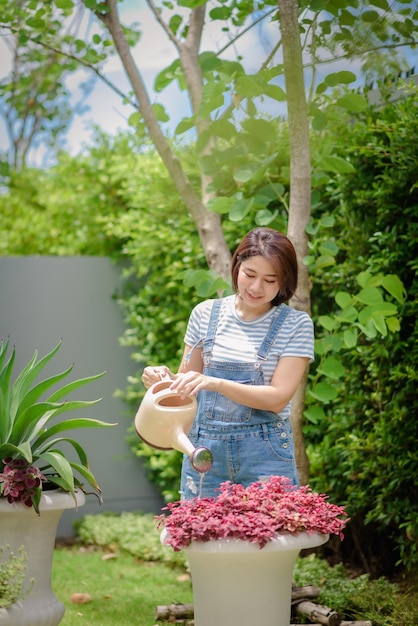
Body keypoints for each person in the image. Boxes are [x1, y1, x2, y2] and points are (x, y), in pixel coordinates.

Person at [142, 227, 314, 499]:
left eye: (270, 280)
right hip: (204, 454)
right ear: (237, 267)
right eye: (250, 274)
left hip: (265, 457)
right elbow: (187, 384)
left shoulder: (295, 325)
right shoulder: (205, 314)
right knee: (201, 537)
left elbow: (278, 398)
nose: (257, 288)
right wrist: (163, 380)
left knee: (270, 539)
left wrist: (216, 382)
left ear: (285, 281)